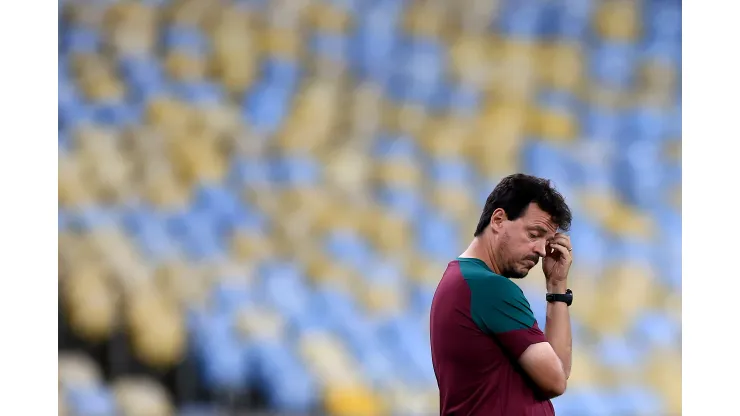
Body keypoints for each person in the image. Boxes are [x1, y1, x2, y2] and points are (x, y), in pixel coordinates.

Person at [430, 173, 574, 415]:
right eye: (534, 234)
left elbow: (558, 372)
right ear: (498, 219)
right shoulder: (489, 287)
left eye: (547, 240)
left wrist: (557, 286)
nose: (541, 251)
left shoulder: (462, 280)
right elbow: (555, 381)